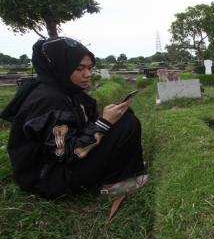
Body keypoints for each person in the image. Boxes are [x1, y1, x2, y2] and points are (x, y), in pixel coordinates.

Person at [0, 37, 148, 199]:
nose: (88, 74)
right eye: (79, 68)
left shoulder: (67, 91)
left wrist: (106, 120)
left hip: (59, 167)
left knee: (124, 118)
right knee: (126, 124)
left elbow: (80, 128)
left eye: (90, 68)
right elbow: (64, 154)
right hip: (49, 178)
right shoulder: (48, 100)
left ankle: (125, 170)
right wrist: (104, 123)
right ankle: (111, 186)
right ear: (60, 67)